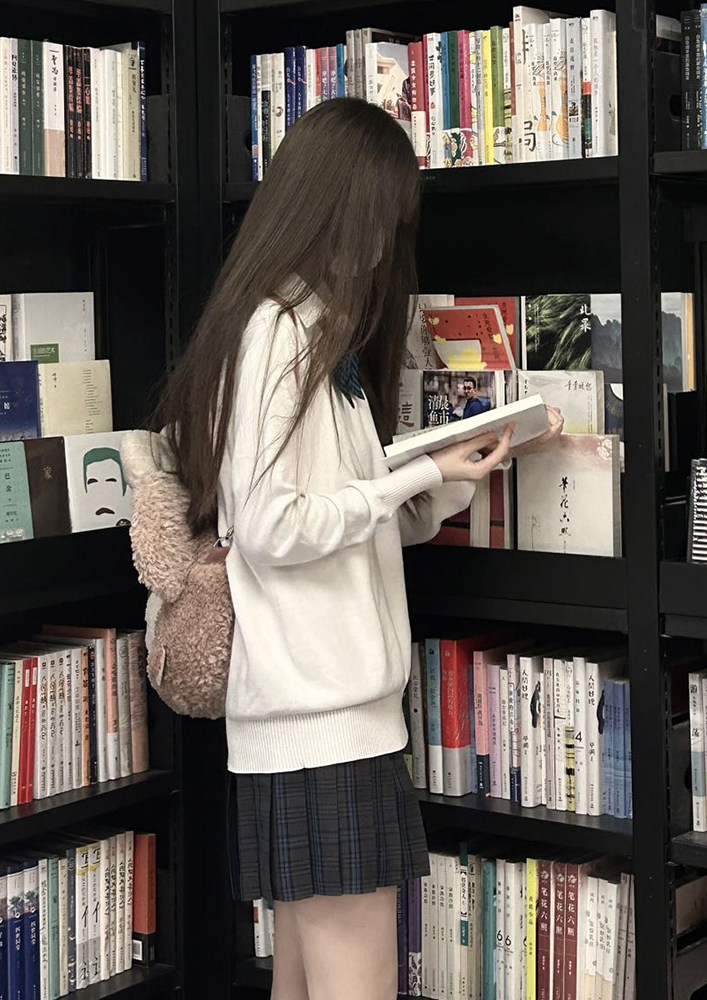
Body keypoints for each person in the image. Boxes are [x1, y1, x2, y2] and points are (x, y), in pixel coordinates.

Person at [158, 97, 563, 1000]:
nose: (385, 244)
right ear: (335, 206)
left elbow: (349, 518)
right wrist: (407, 478)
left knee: (307, 984)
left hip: (326, 720)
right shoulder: (279, 334)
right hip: (319, 722)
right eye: (380, 218)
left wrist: (450, 474)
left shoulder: (315, 335)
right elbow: (273, 527)